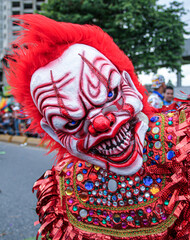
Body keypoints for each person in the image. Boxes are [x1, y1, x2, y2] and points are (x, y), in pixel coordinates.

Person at [6, 14, 190, 240]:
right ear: (54, 132)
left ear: (128, 81)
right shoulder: (62, 192)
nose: (102, 124)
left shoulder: (184, 136)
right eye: (72, 122)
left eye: (110, 94)